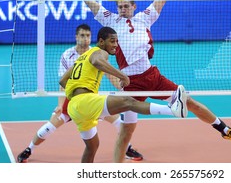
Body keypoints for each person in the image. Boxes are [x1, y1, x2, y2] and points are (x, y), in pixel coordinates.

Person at [60, 0, 231, 163]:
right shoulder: (110, 21)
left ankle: (224, 129)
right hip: (129, 83)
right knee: (126, 132)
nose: (122, 9)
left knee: (190, 102)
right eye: (119, 6)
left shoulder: (145, 17)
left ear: (134, 6)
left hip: (151, 76)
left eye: (126, 6)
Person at [16, 24, 145, 163]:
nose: (85, 39)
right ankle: (29, 149)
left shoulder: (97, 52)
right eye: (82, 35)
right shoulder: (67, 55)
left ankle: (127, 148)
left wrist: (123, 90)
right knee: (49, 127)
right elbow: (63, 83)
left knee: (118, 122)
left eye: (88, 36)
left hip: (90, 99)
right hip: (71, 100)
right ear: (76, 37)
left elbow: (110, 75)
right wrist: (60, 104)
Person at [61, 26, 187, 163]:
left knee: (92, 147)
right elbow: (98, 62)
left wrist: (77, 93)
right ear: (102, 42)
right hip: (84, 101)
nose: (116, 45)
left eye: (117, 41)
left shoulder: (81, 58)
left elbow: (62, 81)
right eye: (112, 41)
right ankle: (172, 109)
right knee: (128, 102)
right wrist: (123, 76)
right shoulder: (99, 52)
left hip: (74, 107)